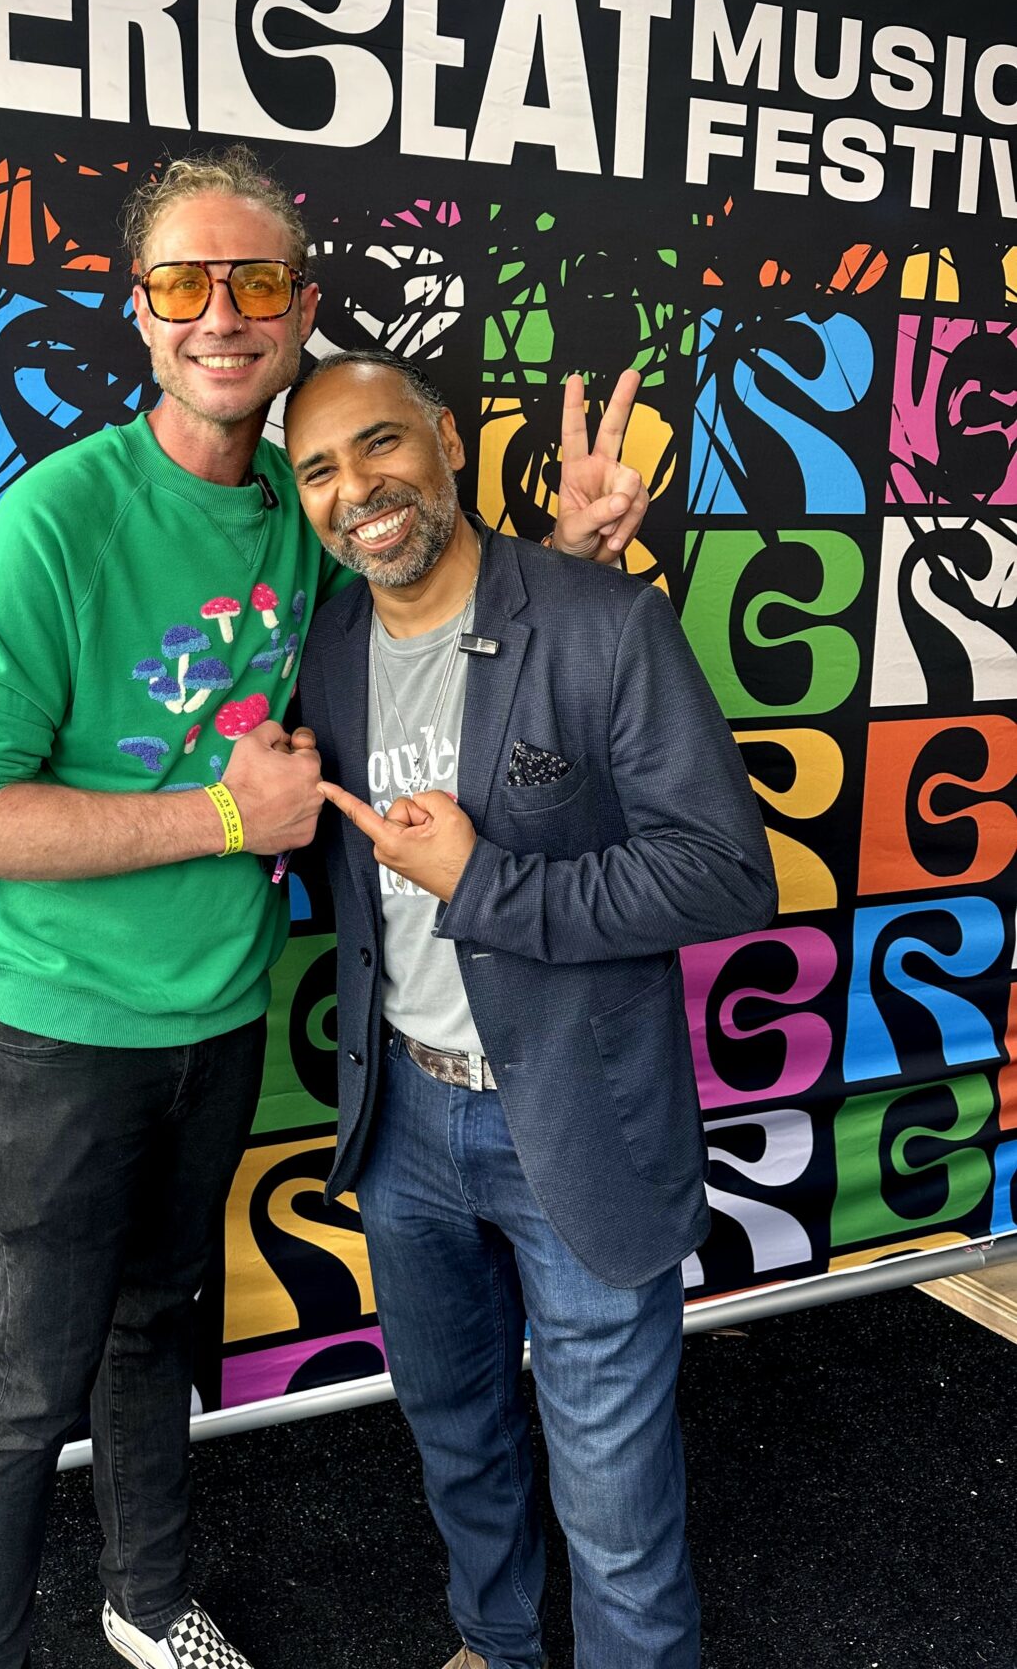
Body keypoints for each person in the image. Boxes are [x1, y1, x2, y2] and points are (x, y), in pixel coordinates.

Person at [0, 146, 647, 1669]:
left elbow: (438, 641)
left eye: (254, 281)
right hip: (59, 1032)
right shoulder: (62, 520)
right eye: (185, 282)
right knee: (29, 1378)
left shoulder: (312, 516)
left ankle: (149, 1600)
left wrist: (570, 565)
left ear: (302, 305)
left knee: (157, 1325)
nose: (220, 313)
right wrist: (224, 817)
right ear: (140, 311)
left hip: (226, 1014)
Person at [284, 351, 778, 1669]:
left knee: (614, 1513)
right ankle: (496, 1648)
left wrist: (485, 881)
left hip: (575, 1128)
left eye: (381, 446)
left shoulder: (604, 620)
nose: (357, 491)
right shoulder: (327, 649)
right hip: (401, 1127)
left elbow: (727, 871)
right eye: (320, 470)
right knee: (459, 1442)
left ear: (444, 439)